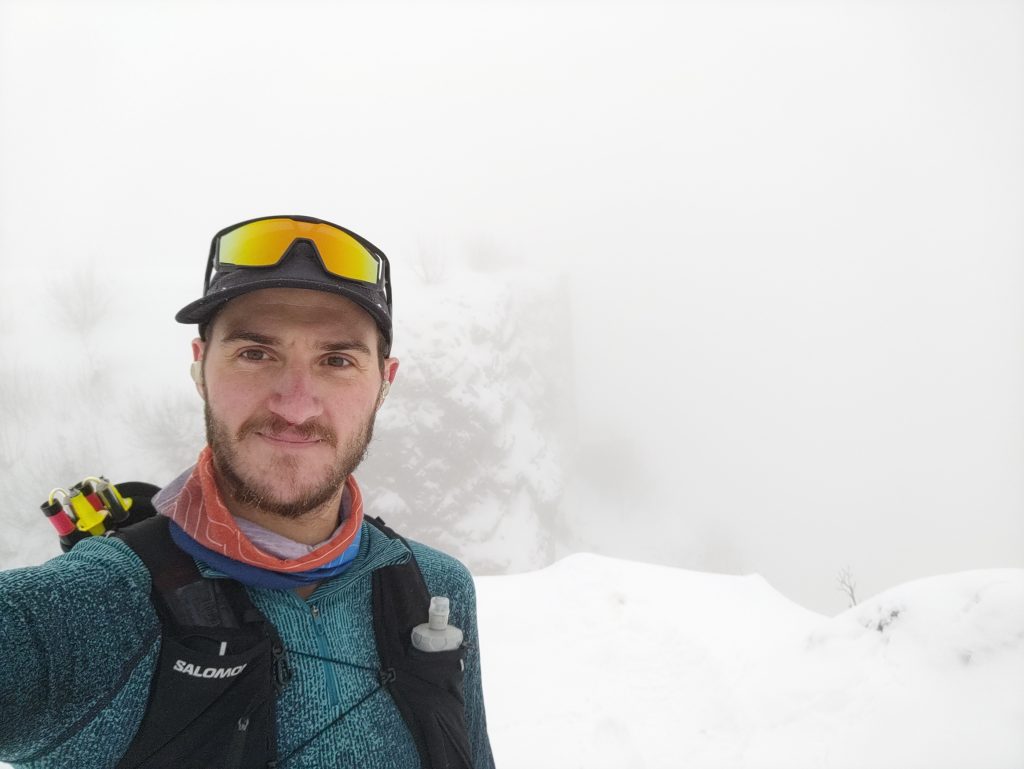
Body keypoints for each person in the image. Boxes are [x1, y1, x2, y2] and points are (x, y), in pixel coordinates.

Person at [0, 215, 496, 769]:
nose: (296, 405)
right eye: (255, 353)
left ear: (385, 381)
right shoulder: (90, 608)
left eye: (337, 360)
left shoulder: (435, 590)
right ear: (200, 367)